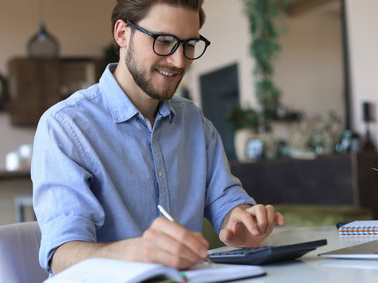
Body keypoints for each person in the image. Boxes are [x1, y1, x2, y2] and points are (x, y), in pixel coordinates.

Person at [32, 0, 285, 276]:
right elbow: (62, 255)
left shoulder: (194, 122)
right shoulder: (66, 126)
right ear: (122, 34)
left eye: (189, 44)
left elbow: (225, 200)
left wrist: (240, 219)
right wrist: (136, 252)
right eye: (163, 41)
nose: (179, 61)